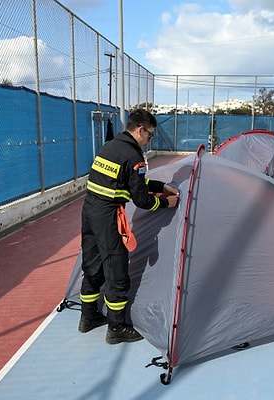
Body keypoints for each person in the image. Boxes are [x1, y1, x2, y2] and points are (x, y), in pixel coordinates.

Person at [79, 109, 180, 344]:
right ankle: (117, 328)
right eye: (150, 135)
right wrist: (167, 202)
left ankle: (88, 317)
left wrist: (161, 185)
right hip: (108, 217)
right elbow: (142, 200)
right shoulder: (134, 156)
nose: (149, 140)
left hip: (90, 212)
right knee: (116, 270)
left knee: (92, 265)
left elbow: (132, 182)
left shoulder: (110, 147)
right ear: (140, 130)